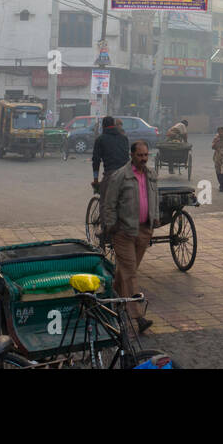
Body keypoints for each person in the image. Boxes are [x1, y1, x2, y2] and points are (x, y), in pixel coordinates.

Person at [101, 140, 158, 333]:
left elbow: (154, 198)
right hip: (123, 233)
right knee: (131, 272)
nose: (143, 159)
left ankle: (111, 299)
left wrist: (154, 220)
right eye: (140, 155)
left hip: (143, 231)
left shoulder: (150, 175)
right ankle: (138, 317)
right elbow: (109, 203)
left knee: (124, 272)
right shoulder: (120, 176)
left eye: (146, 155)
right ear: (132, 155)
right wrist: (112, 226)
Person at [91, 115, 130, 197]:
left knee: (104, 204)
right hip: (126, 174)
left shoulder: (100, 140)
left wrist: (95, 180)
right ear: (114, 125)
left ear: (103, 126)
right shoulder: (124, 138)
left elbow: (96, 161)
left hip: (111, 174)